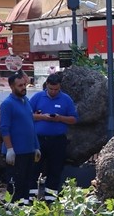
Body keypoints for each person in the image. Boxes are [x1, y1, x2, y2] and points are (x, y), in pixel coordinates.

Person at [30, 72, 79, 201]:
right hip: (39, 140)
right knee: (34, 170)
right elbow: (27, 115)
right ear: (46, 86)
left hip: (57, 141)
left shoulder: (66, 99)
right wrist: (42, 117)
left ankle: (50, 199)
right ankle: (32, 198)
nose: (53, 92)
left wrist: (60, 118)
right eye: (51, 89)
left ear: (60, 87)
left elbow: (74, 119)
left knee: (55, 170)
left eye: (56, 89)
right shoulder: (37, 97)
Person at [0, 70, 40, 203]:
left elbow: (31, 126)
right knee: (14, 185)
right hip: (16, 153)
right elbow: (4, 128)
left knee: (26, 184)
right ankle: (11, 215)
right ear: (12, 87)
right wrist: (9, 149)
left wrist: (36, 146)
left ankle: (23, 214)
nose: (23, 88)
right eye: (20, 86)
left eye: (24, 85)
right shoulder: (7, 104)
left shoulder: (26, 102)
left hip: (28, 151)